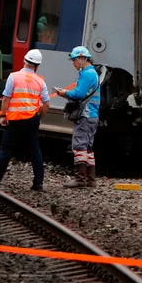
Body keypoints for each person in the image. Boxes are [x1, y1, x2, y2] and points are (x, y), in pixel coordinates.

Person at [0, 49, 50, 191]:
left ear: (24, 61)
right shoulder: (40, 81)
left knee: (6, 150)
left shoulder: (14, 77)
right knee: (35, 150)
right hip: (31, 120)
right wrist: (38, 117)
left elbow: (6, 98)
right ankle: (38, 183)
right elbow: (46, 104)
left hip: (15, 120)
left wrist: (3, 116)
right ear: (37, 65)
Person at [54, 46, 101, 188]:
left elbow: (79, 94)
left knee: (79, 146)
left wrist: (65, 93)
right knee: (88, 147)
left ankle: (81, 179)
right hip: (92, 115)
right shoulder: (91, 73)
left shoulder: (87, 74)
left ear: (82, 58)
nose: (73, 64)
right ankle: (90, 180)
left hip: (86, 116)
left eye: (74, 60)